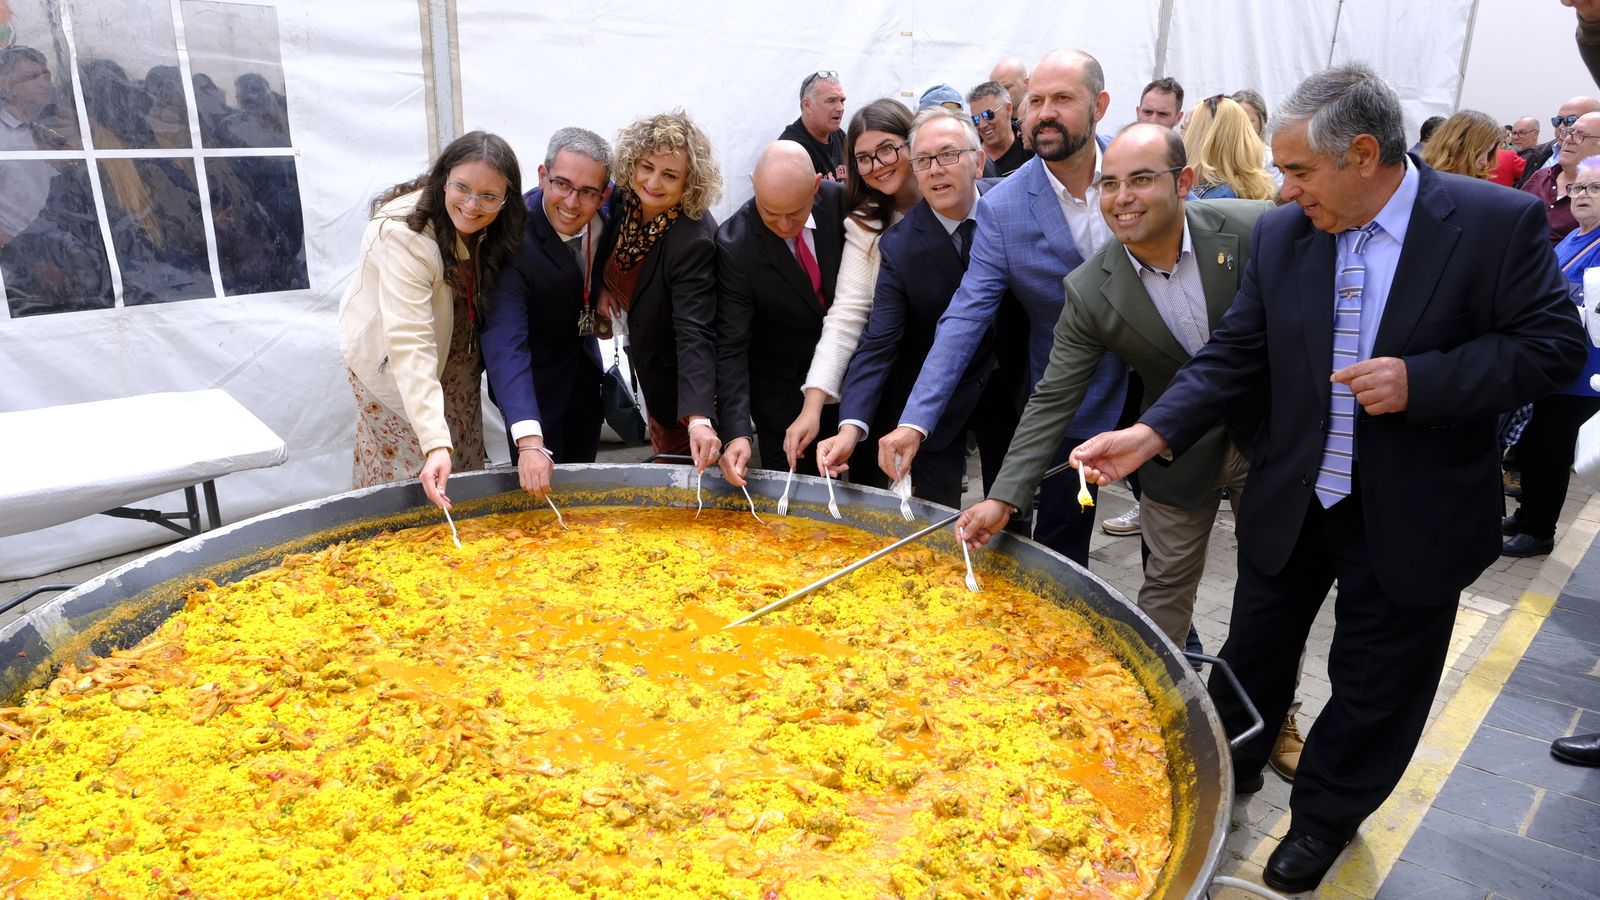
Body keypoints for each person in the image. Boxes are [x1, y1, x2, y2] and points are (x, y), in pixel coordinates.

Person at [1069, 64, 1586, 893]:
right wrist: (1152, 429)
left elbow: (1555, 349)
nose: (1284, 186)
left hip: (1415, 508)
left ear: (1365, 155)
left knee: (1379, 680)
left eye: (1300, 170)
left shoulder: (1494, 224)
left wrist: (1426, 381)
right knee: (1252, 656)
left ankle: (1324, 817)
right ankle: (1229, 774)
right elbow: (1238, 352)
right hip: (1297, 494)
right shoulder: (1285, 235)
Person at [958, 121, 1268, 651]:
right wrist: (1004, 499)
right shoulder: (1089, 290)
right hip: (1174, 454)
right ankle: (1157, 707)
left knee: (1271, 586)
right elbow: (1053, 397)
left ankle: (1275, 715)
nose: (1122, 198)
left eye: (1141, 180)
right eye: (1110, 184)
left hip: (1268, 440)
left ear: (1183, 181)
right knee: (1165, 590)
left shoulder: (1254, 228)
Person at [877, 48, 1127, 567]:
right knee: (1062, 550)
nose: (1044, 112)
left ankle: (1181, 640)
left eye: (1062, 98)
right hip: (1065, 399)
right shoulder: (1003, 207)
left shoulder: (1137, 172)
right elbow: (965, 316)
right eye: (1034, 100)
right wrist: (915, 421)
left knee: (1172, 546)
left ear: (1099, 105)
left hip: (1154, 392)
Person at [815, 108, 1025, 505]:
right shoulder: (900, 245)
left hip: (1013, 385)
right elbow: (879, 341)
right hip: (937, 396)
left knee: (1016, 511)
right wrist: (850, 426)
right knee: (934, 517)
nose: (935, 170)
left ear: (978, 161)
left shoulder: (1015, 207)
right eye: (924, 161)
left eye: (948, 155)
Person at [339, 131, 527, 510]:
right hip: (393, 362)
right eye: (462, 188)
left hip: (457, 351)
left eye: (489, 196)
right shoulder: (403, 235)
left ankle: (462, 547)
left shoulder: (499, 222)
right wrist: (434, 443)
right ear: (443, 178)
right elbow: (410, 344)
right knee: (414, 471)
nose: (473, 205)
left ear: (506, 199)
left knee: (462, 462)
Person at [783, 99, 920, 470]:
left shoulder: (950, 199)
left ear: (914, 142)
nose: (877, 166)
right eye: (864, 158)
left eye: (887, 149)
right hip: (889, 375)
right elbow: (846, 314)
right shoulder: (866, 222)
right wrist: (812, 407)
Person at [482, 127, 613, 498]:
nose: (572, 202)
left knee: (584, 496)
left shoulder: (612, 213)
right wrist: (528, 440)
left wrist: (610, 289)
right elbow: (505, 341)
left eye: (588, 192)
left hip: (585, 380)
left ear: (604, 194)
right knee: (539, 503)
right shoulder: (510, 241)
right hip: (533, 391)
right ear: (542, 175)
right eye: (562, 185)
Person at [594, 110, 724, 470]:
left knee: (685, 483)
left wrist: (697, 417)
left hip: (682, 385)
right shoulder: (624, 203)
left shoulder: (692, 240)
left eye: (670, 175)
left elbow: (694, 331)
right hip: (650, 364)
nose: (653, 182)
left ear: (689, 183)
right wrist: (603, 287)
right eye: (647, 166)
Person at [714, 141, 847, 480]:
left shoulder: (841, 204)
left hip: (852, 379)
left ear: (817, 185)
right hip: (783, 393)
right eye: (771, 214)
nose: (786, 226)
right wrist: (737, 432)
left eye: (797, 213)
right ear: (753, 185)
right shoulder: (735, 244)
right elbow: (731, 345)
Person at [1503, 153, 1600, 557]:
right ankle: (1527, 515)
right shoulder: (1577, 237)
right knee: (1536, 446)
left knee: (1550, 452)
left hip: (1581, 375)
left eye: (1595, 188)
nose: (1582, 195)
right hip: (1551, 363)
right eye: (1578, 186)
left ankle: (1540, 529)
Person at [1522, 108, 1600, 244]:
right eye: (1569, 132)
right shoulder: (1540, 176)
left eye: (1581, 135)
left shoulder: (1595, 193)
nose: (1568, 139)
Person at [1183, 95, 1275, 200]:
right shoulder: (1236, 186)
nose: (1183, 134)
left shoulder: (1220, 197)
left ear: (1205, 140)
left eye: (1187, 127)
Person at [778, 71, 847, 181]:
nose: (840, 108)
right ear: (807, 105)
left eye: (842, 101)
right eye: (831, 101)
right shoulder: (791, 152)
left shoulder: (840, 136)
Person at [967, 81, 1033, 176]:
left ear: (1008, 109)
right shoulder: (970, 155)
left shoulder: (1029, 145)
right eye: (975, 119)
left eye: (988, 115)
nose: (982, 125)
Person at [1420, 109, 1502, 178]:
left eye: (1488, 152)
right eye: (1481, 151)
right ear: (1457, 146)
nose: (1485, 161)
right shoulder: (1418, 179)